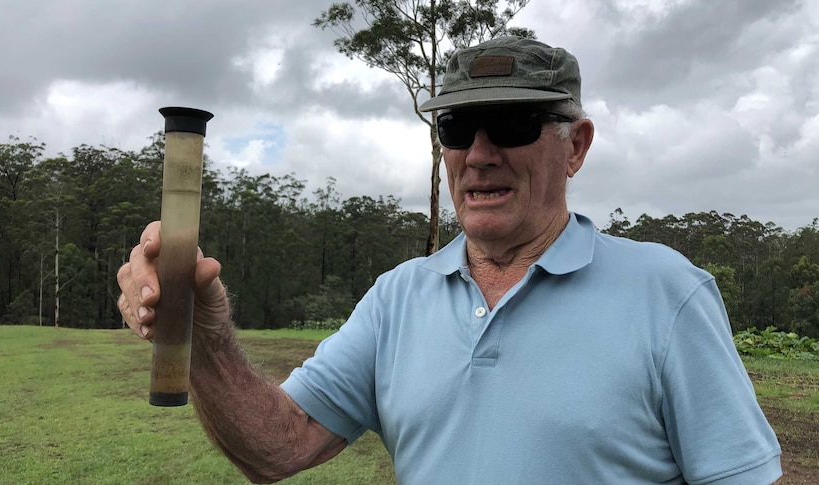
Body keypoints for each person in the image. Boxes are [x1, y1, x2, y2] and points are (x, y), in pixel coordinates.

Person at [117, 36, 782, 484]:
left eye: (514, 125)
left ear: (575, 146)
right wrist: (204, 338)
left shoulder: (667, 293)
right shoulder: (396, 297)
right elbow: (279, 444)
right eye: (458, 129)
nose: (482, 153)